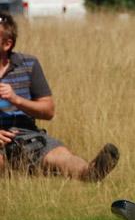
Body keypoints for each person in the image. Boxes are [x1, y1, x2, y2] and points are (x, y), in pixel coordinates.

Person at [0, 13, 119, 181]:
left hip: (26, 134)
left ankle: (90, 172)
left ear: (7, 44)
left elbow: (48, 111)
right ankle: (17, 171)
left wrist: (16, 99)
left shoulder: (28, 64)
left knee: (60, 155)